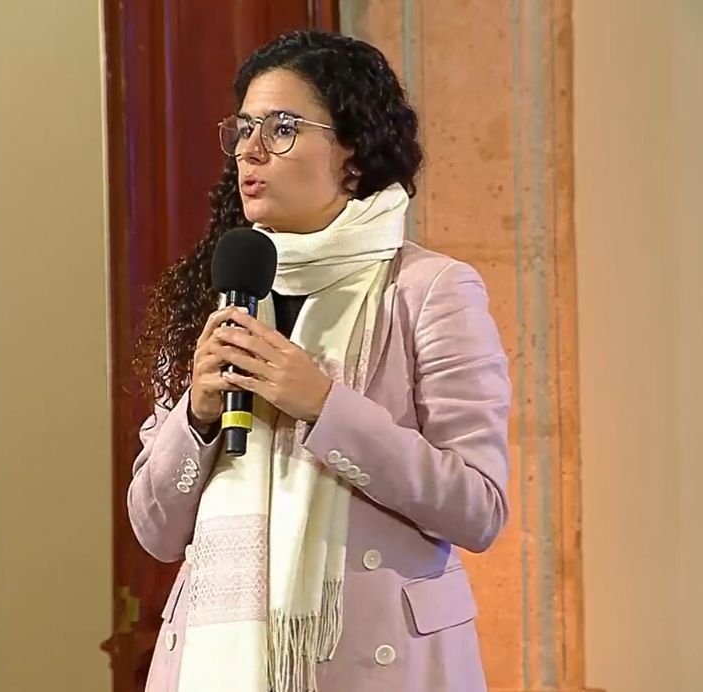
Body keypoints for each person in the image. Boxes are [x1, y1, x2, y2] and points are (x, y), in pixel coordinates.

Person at [128, 29, 510, 692]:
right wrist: (197, 416)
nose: (250, 150)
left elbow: (478, 508)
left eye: (282, 128)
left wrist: (325, 407)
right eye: (243, 128)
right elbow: (157, 531)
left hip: (377, 666)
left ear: (352, 153)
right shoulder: (214, 295)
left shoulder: (430, 290)